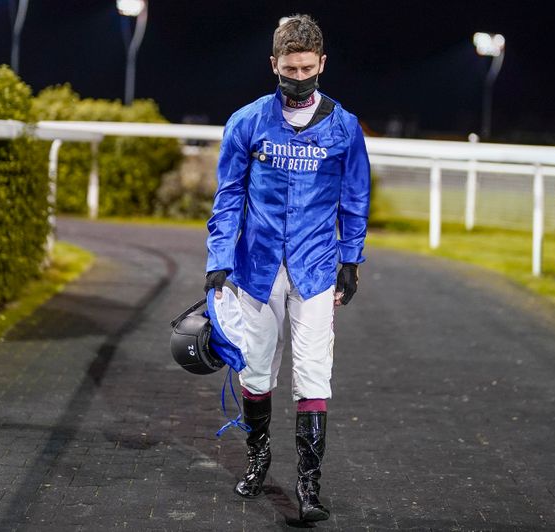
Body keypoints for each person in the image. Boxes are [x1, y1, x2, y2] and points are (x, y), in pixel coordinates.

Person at [203, 14, 370, 523]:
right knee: (256, 369)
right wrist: (218, 260)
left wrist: (351, 259)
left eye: (307, 68)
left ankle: (309, 485)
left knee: (314, 372)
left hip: (316, 267)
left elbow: (355, 197)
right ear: (273, 64)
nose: (298, 78)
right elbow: (228, 195)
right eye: (289, 68)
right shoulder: (248, 121)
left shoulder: (345, 127)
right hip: (255, 269)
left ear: (322, 63)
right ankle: (258, 460)